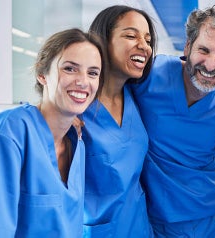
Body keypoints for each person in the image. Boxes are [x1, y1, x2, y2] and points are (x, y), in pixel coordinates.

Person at [0, 28, 105, 237]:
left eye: (93, 73)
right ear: (42, 74)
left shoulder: (78, 145)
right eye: (69, 69)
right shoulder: (7, 134)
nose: (83, 81)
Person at [131, 5, 215, 237]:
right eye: (204, 50)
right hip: (156, 218)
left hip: (212, 218)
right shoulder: (150, 76)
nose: (211, 64)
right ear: (187, 47)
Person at [81, 5, 157, 238]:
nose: (144, 46)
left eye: (148, 39)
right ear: (103, 41)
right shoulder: (77, 109)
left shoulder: (135, 99)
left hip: (139, 228)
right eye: (131, 35)